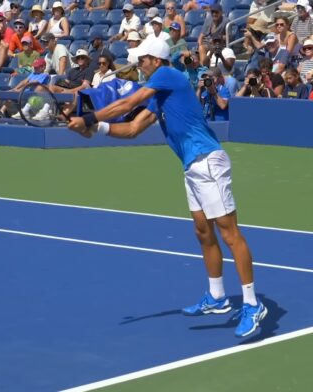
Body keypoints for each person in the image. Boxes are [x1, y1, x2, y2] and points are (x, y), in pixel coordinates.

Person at [67, 38, 268, 338]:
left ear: (156, 60)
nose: (139, 64)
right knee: (203, 231)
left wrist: (89, 117)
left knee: (229, 233)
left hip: (208, 160)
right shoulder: (159, 95)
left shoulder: (167, 74)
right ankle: (217, 297)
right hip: (192, 165)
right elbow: (133, 129)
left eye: (143, 60)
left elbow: (126, 104)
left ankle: (252, 304)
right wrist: (96, 129)